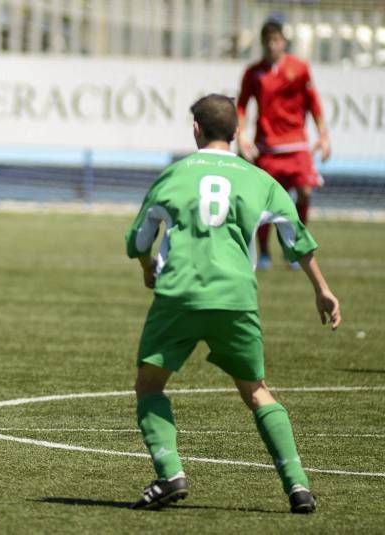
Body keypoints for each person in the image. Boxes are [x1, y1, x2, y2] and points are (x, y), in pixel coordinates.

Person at [124, 94, 341, 513]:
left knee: (149, 386)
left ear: (195, 129)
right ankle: (298, 487)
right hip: (236, 298)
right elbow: (295, 237)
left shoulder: (173, 175)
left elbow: (137, 238)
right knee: (257, 391)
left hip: (180, 295)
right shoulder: (259, 179)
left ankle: (170, 474)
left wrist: (147, 268)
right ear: (238, 132)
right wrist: (322, 289)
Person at [237, 18, 331, 270]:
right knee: (265, 203)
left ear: (284, 41)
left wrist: (323, 135)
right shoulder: (253, 72)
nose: (271, 45)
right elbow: (242, 106)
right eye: (267, 40)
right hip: (267, 146)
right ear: (262, 43)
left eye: (276, 40)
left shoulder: (299, 69)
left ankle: (293, 246)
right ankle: (265, 251)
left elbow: (314, 104)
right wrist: (242, 134)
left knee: (305, 191)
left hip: (296, 145)